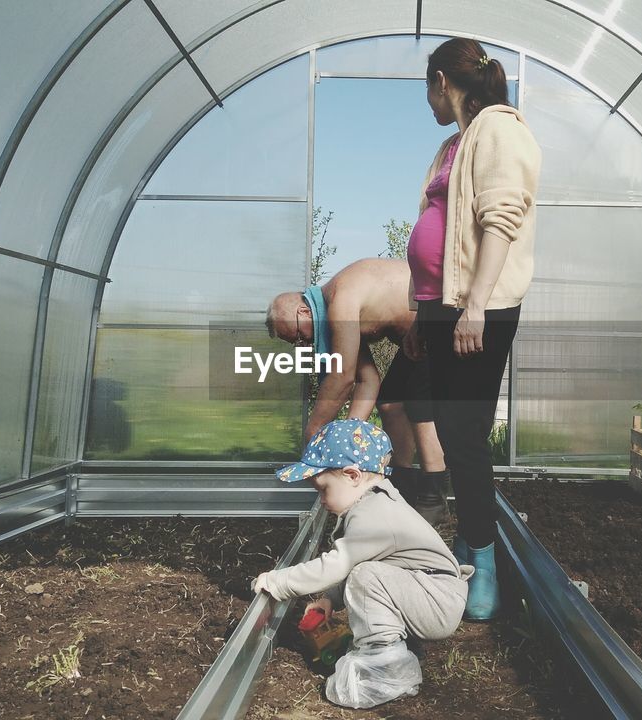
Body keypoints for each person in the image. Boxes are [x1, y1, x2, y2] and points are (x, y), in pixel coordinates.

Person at [401, 37, 541, 621]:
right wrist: (417, 307)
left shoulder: (499, 130)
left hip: (475, 309)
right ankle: (468, 542)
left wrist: (475, 306)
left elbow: (501, 219)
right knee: (447, 425)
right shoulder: (451, 144)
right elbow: (431, 227)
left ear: (441, 81)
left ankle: (482, 560)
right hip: (438, 306)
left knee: (462, 432)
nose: (426, 101)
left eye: (425, 90)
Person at [252, 419, 471, 709]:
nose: (322, 499)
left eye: (323, 489)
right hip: (428, 592)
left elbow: (338, 565)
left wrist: (277, 582)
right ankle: (393, 649)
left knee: (366, 576)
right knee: (366, 574)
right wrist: (330, 598)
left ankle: (384, 670)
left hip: (436, 601)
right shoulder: (373, 504)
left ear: (353, 475)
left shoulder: (373, 514)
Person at [266, 258, 450, 524]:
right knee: (389, 403)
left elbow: (342, 377)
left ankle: (435, 498)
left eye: (297, 335)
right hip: (416, 339)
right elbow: (367, 381)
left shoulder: (341, 301)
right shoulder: (334, 319)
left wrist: (313, 433)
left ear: (304, 312)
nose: (301, 343)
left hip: (439, 319)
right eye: (294, 343)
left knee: (418, 401)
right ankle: (405, 487)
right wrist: (349, 437)